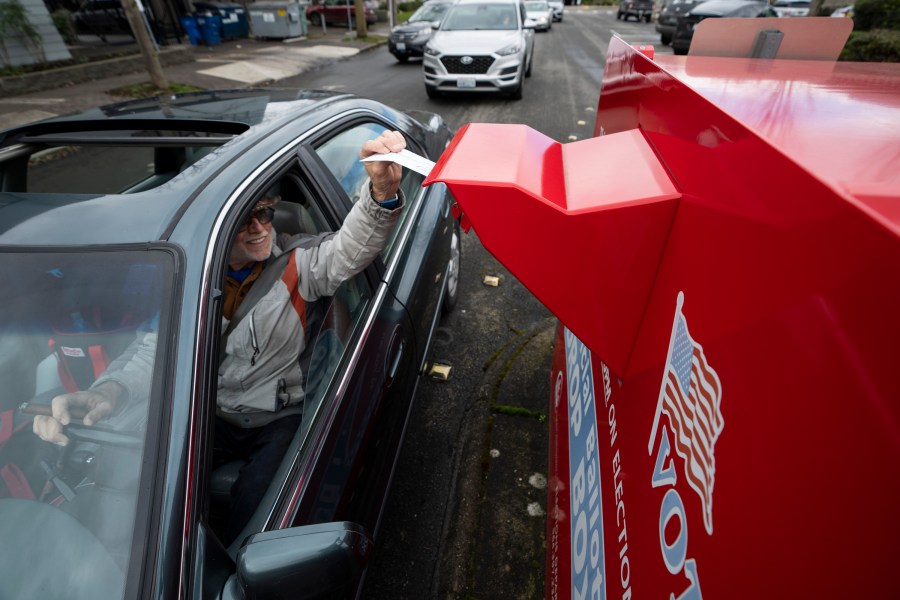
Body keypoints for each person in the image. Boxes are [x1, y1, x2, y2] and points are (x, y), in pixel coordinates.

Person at [33, 130, 408, 544]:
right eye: (244, 221)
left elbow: (351, 249)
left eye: (266, 213)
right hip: (208, 411)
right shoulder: (190, 274)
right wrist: (109, 393)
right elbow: (154, 351)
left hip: (278, 419)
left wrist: (382, 191)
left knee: (257, 505)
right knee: (137, 481)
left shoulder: (299, 265)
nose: (260, 228)